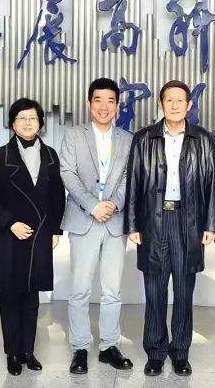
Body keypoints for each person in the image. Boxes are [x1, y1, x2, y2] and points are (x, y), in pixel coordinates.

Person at [124, 80, 215, 377]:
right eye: (169, 100)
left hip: (188, 222)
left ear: (189, 105)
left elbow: (212, 183)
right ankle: (155, 352)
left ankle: (180, 352)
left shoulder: (203, 139)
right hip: (153, 220)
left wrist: (211, 224)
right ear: (160, 104)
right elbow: (133, 182)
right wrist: (132, 224)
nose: (175, 105)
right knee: (154, 289)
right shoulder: (144, 138)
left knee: (183, 290)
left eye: (180, 100)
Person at [0, 98, 65, 376]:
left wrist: (56, 230)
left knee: (32, 296)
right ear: (12, 123)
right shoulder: (1, 156)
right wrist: (11, 223)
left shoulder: (50, 155)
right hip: (9, 235)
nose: (27, 123)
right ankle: (12, 353)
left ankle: (28, 351)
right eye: (22, 118)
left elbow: (58, 196)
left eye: (32, 118)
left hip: (39, 234)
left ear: (40, 122)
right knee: (10, 295)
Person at [60, 78, 134, 374]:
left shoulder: (128, 139)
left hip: (115, 221)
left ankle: (108, 346)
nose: (104, 107)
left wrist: (113, 203)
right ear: (89, 103)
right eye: (98, 100)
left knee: (112, 290)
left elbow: (130, 177)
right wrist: (93, 205)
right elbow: (67, 172)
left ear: (117, 105)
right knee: (80, 288)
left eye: (110, 101)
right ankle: (80, 347)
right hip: (84, 219)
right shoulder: (73, 136)